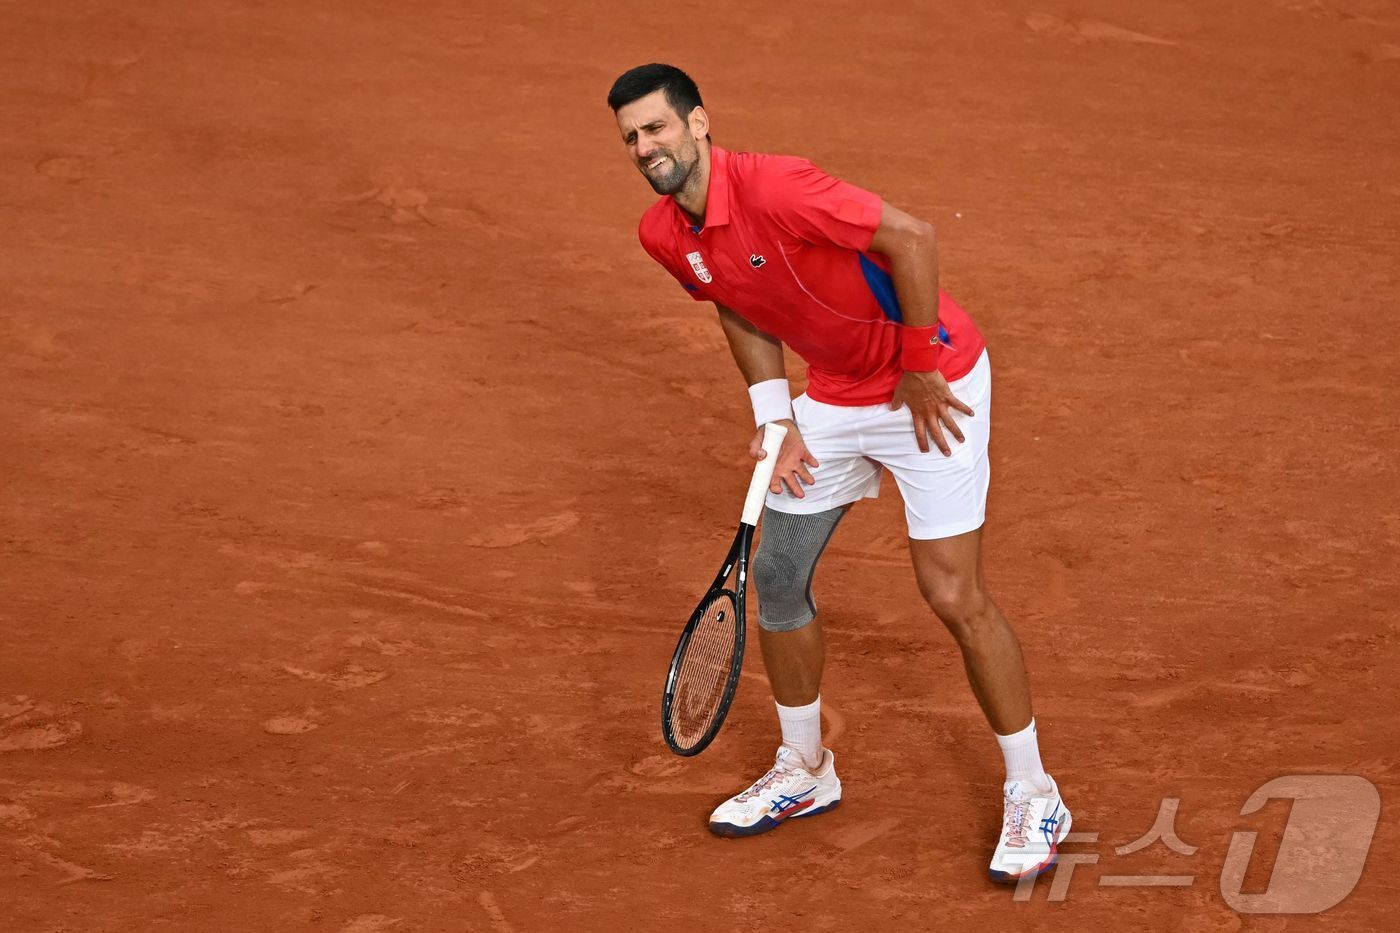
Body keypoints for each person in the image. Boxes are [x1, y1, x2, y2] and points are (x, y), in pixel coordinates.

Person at [607, 63, 1071, 883]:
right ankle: (806, 768)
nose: (647, 147)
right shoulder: (662, 232)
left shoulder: (779, 187)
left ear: (700, 123)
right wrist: (775, 416)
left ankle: (1036, 790)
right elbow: (734, 302)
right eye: (633, 137)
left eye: (659, 128)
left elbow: (914, 237)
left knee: (954, 594)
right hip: (833, 397)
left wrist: (921, 363)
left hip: (935, 384)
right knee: (778, 578)